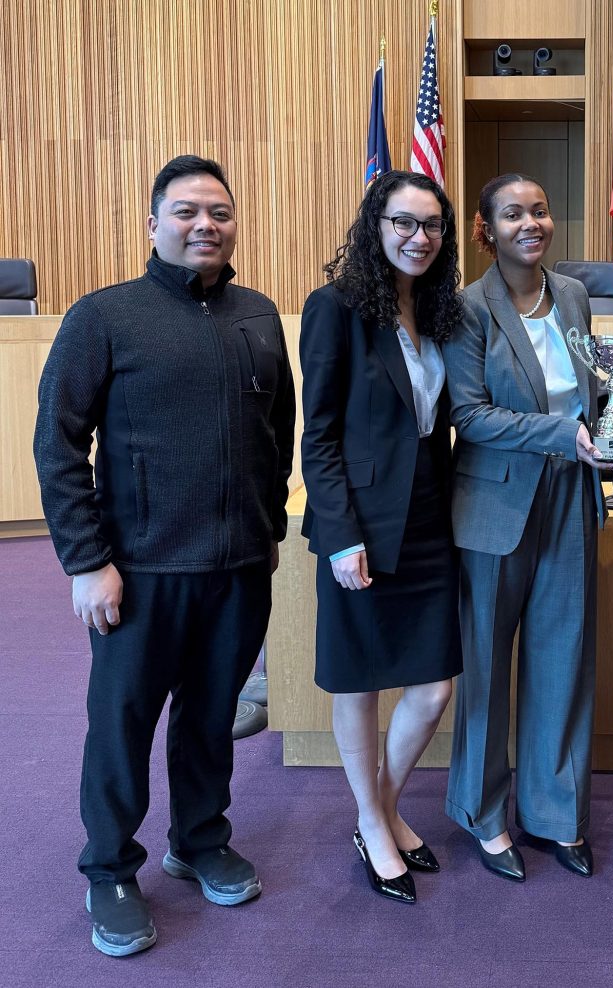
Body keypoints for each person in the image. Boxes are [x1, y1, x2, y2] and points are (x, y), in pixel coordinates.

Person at [33, 155, 295, 956]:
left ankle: (199, 840)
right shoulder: (104, 317)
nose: (205, 224)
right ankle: (110, 868)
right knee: (122, 726)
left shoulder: (258, 315)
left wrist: (267, 530)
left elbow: (277, 433)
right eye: (186, 211)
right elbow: (58, 443)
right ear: (154, 225)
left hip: (239, 568)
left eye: (219, 212)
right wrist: (86, 560)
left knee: (212, 719)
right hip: (139, 572)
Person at [443, 173, 613, 881]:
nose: (530, 223)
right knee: (486, 667)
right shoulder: (466, 307)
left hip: (570, 493)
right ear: (487, 230)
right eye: (512, 214)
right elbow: (469, 414)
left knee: (563, 657)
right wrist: (563, 434)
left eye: (539, 210)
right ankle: (484, 815)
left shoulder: (572, 295)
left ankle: (555, 814)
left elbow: (593, 388)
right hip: (496, 506)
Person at [299, 170, 463, 905]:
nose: (418, 237)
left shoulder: (439, 310)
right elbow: (319, 436)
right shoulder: (334, 309)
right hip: (361, 524)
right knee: (361, 680)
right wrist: (340, 536)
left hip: (429, 519)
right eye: (403, 222)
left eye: (431, 226)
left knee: (432, 688)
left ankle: (381, 811)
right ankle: (374, 818)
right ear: (376, 225)